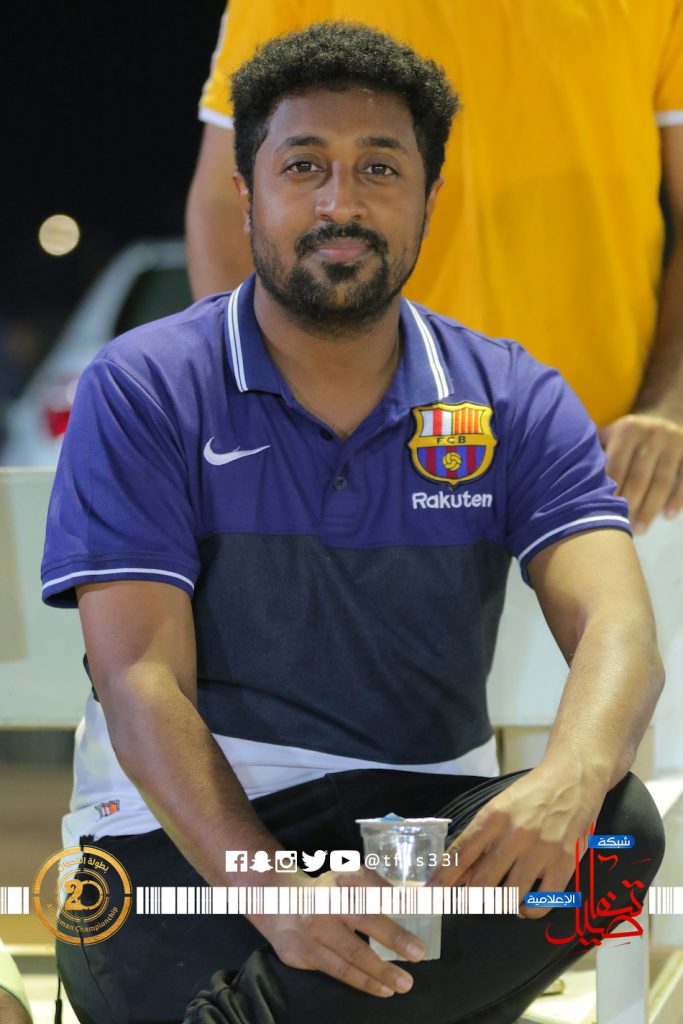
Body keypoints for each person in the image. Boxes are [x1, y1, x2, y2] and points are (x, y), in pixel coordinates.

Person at [42, 22, 665, 1024]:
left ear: (428, 197)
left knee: (614, 827)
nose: (341, 202)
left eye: (379, 168)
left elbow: (618, 626)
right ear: (247, 194)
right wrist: (279, 894)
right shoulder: (148, 384)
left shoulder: (511, 394)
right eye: (304, 167)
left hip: (414, 841)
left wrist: (572, 774)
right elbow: (138, 680)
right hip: (181, 846)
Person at [186, 0, 683, 535]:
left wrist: (670, 406)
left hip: (614, 468)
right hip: (361, 464)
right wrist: (265, 417)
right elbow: (229, 205)